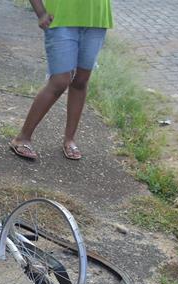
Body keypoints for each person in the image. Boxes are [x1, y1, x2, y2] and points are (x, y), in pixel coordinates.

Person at [10, 0, 113, 162]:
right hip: (60, 19)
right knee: (60, 80)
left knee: (80, 81)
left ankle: (69, 140)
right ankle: (22, 138)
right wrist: (40, 12)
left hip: (97, 19)